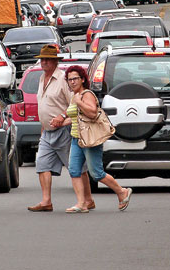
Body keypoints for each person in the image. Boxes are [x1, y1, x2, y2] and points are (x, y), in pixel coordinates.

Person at [53, 66, 132, 213]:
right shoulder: (75, 96)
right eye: (69, 80)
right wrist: (59, 122)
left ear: (82, 79)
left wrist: (79, 102)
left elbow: (92, 113)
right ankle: (81, 204)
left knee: (96, 173)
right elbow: (77, 117)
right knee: (74, 171)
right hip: (77, 138)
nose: (72, 82)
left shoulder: (86, 94)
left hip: (90, 139)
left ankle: (122, 192)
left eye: (75, 79)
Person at [27, 44, 95, 212]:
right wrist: (43, 127)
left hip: (64, 130)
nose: (43, 62)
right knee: (42, 165)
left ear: (55, 61)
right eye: (42, 59)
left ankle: (88, 199)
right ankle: (46, 201)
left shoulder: (64, 80)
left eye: (47, 59)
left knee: (77, 167)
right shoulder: (42, 78)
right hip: (47, 131)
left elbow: (76, 102)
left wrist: (63, 116)